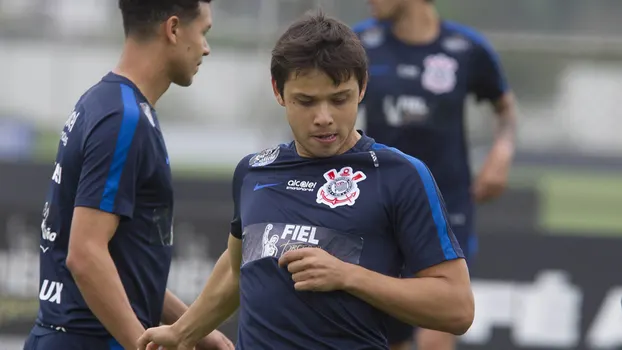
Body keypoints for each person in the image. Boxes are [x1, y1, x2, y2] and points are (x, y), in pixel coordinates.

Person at [136, 10, 474, 350]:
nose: (323, 118)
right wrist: (182, 332)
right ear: (278, 92)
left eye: (339, 99)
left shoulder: (401, 175)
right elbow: (237, 269)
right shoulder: (253, 171)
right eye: (306, 101)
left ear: (363, 88)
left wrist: (348, 276)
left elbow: (457, 307)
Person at [23, 1, 233, 349]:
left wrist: (195, 331)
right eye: (204, 32)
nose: (206, 48)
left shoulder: (108, 103)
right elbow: (86, 255)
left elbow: (124, 265)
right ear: (174, 28)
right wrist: (143, 345)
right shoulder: (124, 119)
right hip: (89, 340)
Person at [353, 1, 518, 349]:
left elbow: (504, 108)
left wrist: (501, 154)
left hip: (447, 211)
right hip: (380, 210)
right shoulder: (359, 45)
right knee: (390, 336)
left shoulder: (466, 48)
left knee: (436, 329)